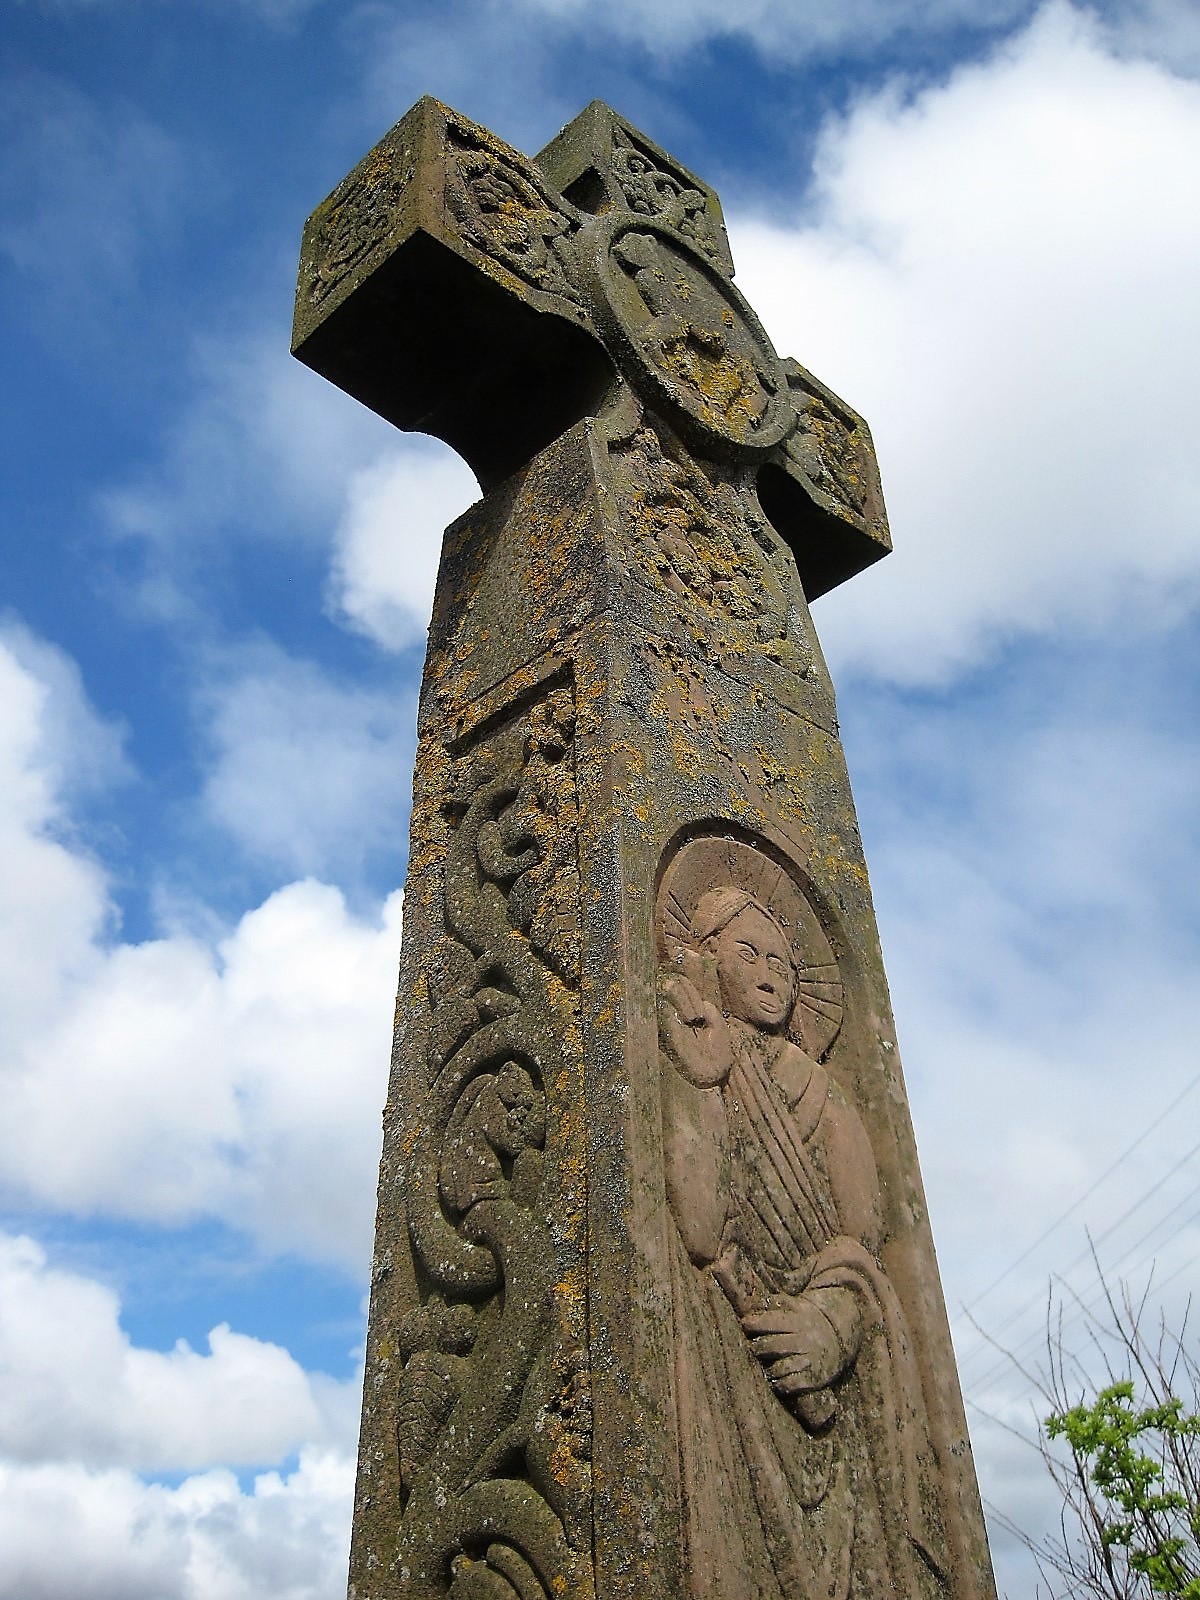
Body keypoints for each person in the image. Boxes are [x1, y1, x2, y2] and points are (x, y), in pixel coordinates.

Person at [657, 886, 948, 1599]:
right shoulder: (700, 1055)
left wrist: (831, 1326)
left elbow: (863, 1247)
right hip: (734, 1367)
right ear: (705, 960)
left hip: (826, 1374)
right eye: (748, 953)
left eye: (783, 964)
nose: (770, 974)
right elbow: (698, 1231)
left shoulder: (824, 1094)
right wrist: (701, 1078)